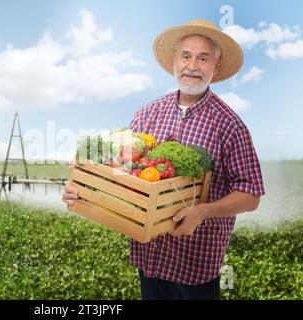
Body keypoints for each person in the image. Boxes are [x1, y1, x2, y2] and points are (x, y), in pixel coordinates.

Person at [61, 20, 265, 300]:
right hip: (150, 257)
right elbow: (120, 171)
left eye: (203, 58)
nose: (192, 65)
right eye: (186, 56)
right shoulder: (148, 113)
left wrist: (202, 212)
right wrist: (83, 191)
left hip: (196, 264)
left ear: (214, 68)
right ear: (174, 61)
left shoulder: (230, 125)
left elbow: (251, 194)